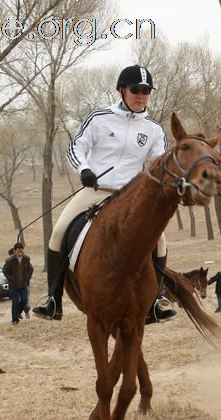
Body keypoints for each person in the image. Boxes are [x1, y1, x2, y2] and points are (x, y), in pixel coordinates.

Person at [33, 65, 176, 324]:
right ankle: (53, 299)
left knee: (161, 241)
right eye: (136, 89)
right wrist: (85, 169)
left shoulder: (154, 130)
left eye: (146, 91)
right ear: (122, 90)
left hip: (131, 197)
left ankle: (156, 301)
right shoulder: (99, 118)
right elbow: (77, 147)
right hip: (95, 190)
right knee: (59, 232)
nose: (141, 95)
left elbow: (158, 163)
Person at [3, 242, 33, 325]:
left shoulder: (26, 259)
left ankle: (18, 312)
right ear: (15, 251)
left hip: (23, 284)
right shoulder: (10, 260)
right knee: (15, 302)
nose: (20, 253)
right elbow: (4, 270)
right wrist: (10, 279)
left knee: (24, 300)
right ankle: (15, 320)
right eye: (18, 251)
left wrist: (27, 278)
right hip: (14, 285)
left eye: (21, 251)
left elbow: (31, 269)